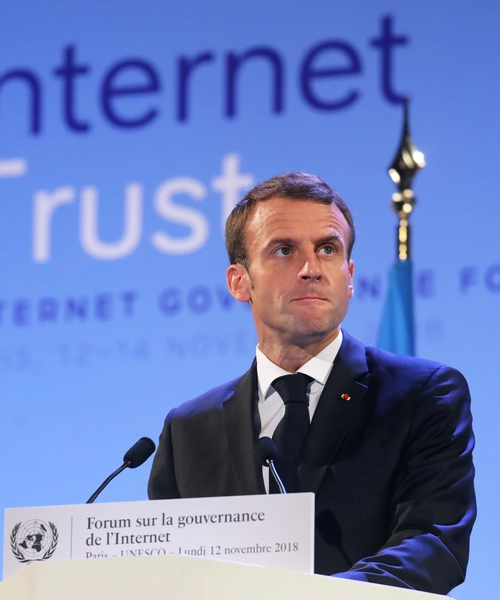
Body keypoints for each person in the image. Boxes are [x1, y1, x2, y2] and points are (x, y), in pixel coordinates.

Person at [147, 172, 476, 595]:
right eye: (284, 250)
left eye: (327, 249)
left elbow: (433, 543)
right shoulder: (189, 430)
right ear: (239, 282)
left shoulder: (423, 395)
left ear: (350, 274)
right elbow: (169, 573)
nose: (311, 269)